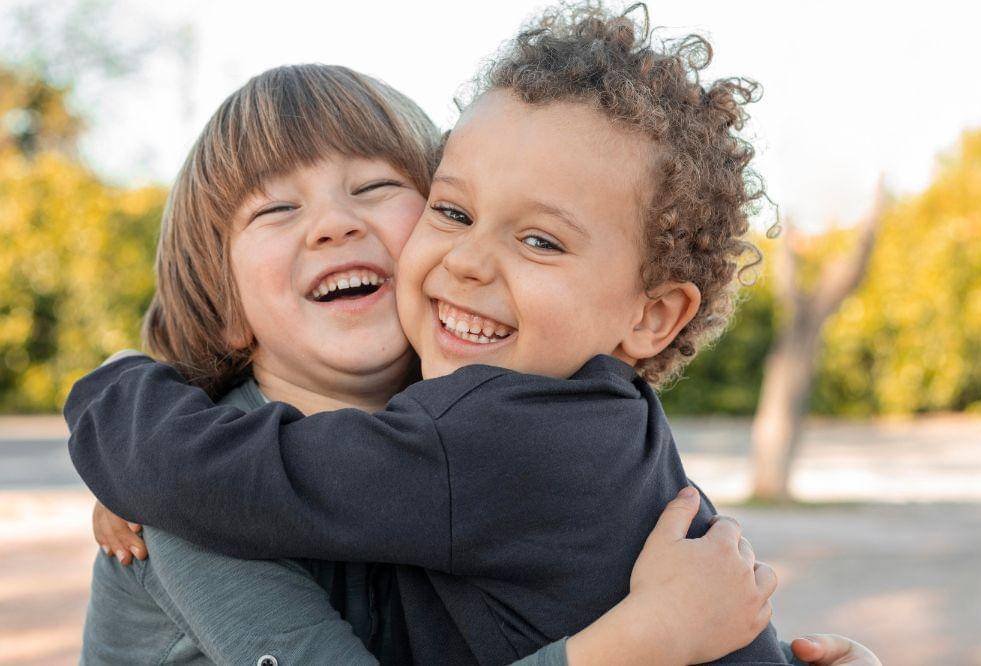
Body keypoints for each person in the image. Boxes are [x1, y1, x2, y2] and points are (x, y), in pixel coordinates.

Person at [67, 5, 880, 665]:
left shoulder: (479, 434)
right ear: (223, 300)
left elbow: (203, 471)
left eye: (379, 188)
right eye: (455, 214)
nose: (468, 260)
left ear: (652, 313)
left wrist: (119, 400)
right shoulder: (191, 511)